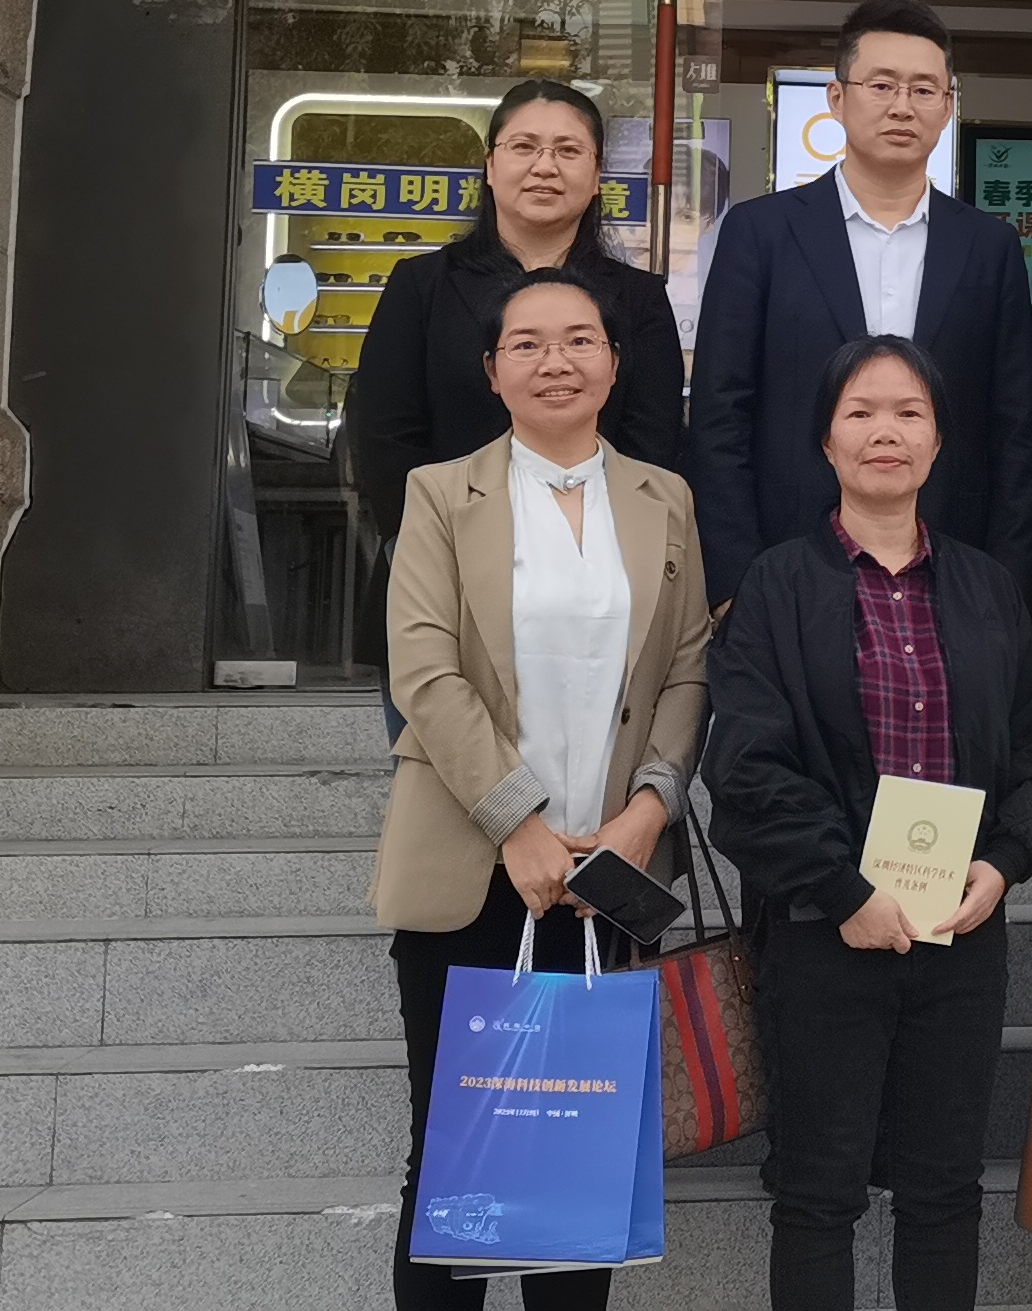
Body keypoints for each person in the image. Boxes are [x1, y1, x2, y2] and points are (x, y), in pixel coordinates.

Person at [373, 265, 711, 1311]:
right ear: (492, 370)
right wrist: (516, 822)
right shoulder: (442, 493)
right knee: (456, 1153)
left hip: (609, 877)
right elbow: (424, 673)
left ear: (614, 363)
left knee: (577, 1152)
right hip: (471, 873)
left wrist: (647, 812)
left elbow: (689, 668)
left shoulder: (664, 498)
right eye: (527, 343)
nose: (555, 360)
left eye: (579, 340)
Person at [702, 336, 1032, 1311]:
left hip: (961, 934)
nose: (884, 431)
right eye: (860, 412)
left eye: (908, 412)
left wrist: (1005, 860)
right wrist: (844, 888)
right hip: (825, 934)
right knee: (818, 1195)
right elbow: (745, 768)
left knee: (944, 1190)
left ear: (938, 440)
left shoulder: (987, 588)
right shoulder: (776, 586)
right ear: (825, 441)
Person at [690, 0, 1032, 608]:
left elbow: (1015, 430)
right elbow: (720, 414)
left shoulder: (988, 246)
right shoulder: (760, 233)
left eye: (924, 90)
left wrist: (1006, 593)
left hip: (951, 569)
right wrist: (737, 586)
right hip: (785, 566)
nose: (902, 106)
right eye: (881, 85)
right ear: (837, 98)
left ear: (948, 106)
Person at [358, 80, 688, 728]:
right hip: (444, 591)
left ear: (597, 174)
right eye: (524, 147)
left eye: (568, 150)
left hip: (602, 594)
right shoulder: (422, 287)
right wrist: (447, 558)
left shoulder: (639, 300)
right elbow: (386, 440)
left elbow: (653, 447)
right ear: (490, 166)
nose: (545, 165)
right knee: (451, 782)